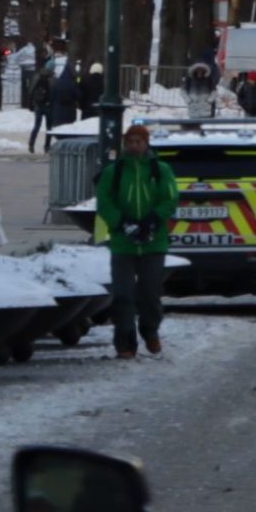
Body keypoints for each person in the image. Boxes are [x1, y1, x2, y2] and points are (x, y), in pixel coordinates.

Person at [94, 122, 179, 359]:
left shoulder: (159, 170)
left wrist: (152, 221)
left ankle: (150, 331)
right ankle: (125, 341)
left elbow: (170, 198)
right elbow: (104, 202)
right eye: (130, 142)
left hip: (153, 242)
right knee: (123, 295)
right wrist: (122, 224)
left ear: (146, 143)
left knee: (150, 293)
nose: (134, 146)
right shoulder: (114, 171)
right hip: (123, 243)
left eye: (138, 141)